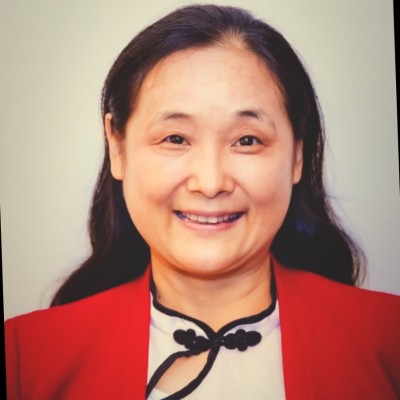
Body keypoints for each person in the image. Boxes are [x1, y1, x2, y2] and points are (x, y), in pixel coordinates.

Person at [5, 4, 400, 400]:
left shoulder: (388, 338)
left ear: (297, 154)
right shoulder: (26, 357)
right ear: (117, 147)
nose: (210, 183)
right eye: (175, 139)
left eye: (247, 140)